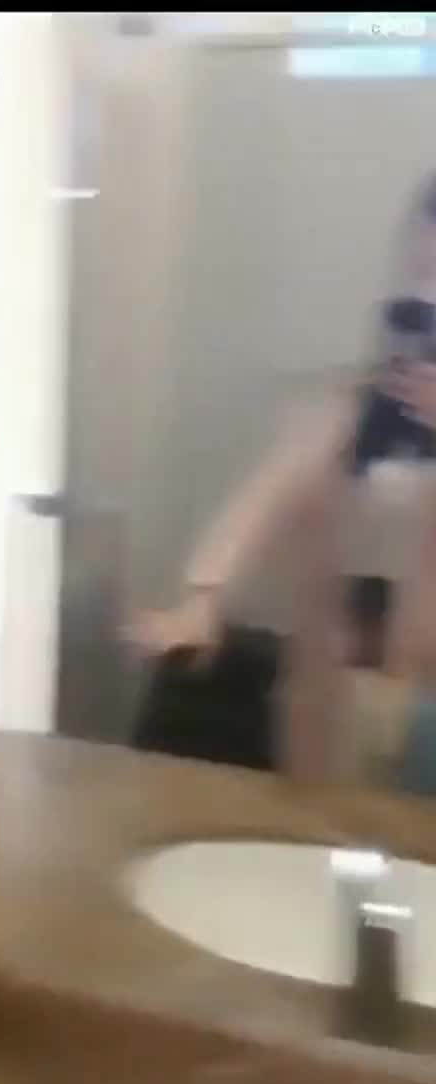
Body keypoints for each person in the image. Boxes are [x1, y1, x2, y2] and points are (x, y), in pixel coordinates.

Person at [131, 172, 436, 781]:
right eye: (414, 307)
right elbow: (265, 496)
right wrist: (204, 601)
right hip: (331, 711)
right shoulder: (347, 413)